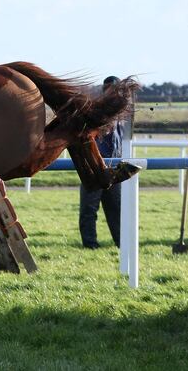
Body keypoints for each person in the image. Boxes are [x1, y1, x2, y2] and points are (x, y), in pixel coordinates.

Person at [78, 76, 123, 249]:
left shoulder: (120, 113)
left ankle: (121, 242)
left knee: (116, 209)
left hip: (113, 166)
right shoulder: (94, 111)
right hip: (94, 166)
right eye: (109, 89)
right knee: (89, 209)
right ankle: (90, 245)